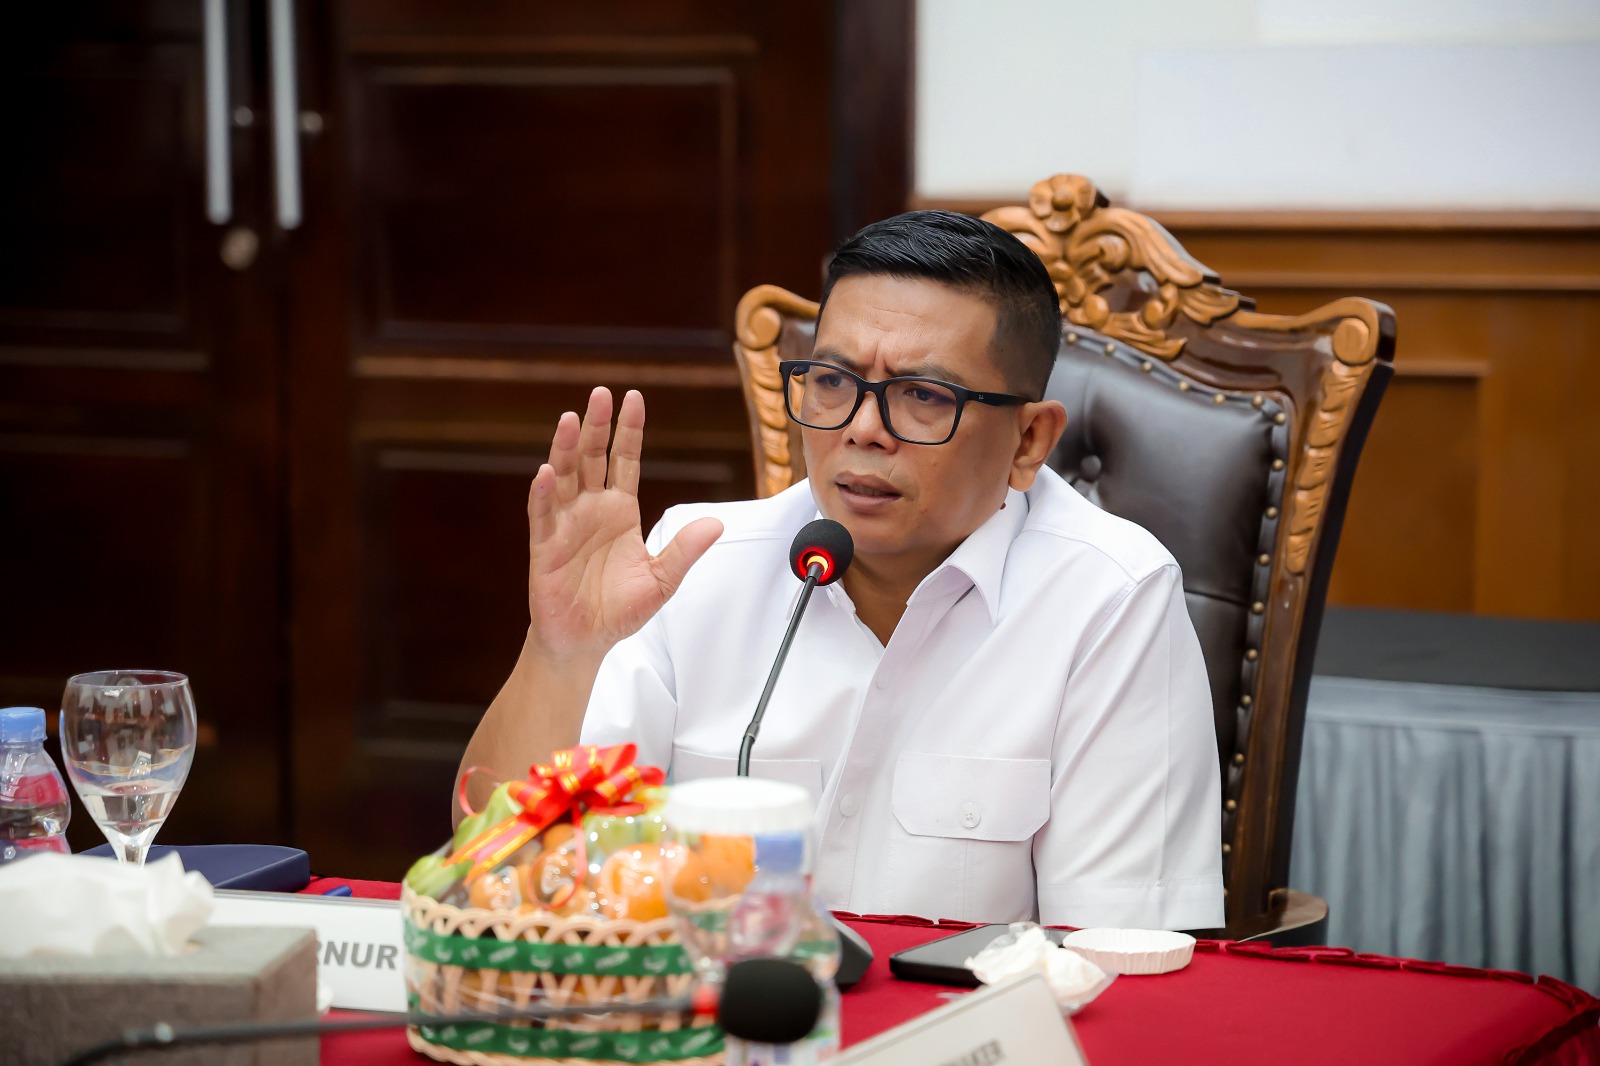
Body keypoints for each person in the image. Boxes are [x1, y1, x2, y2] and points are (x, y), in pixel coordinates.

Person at [460, 210, 1224, 929]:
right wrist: (560, 652)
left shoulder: (1110, 598)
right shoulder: (691, 566)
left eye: (923, 395)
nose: (862, 428)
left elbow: (1115, 955)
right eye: (832, 382)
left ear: (1028, 441)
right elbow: (496, 879)